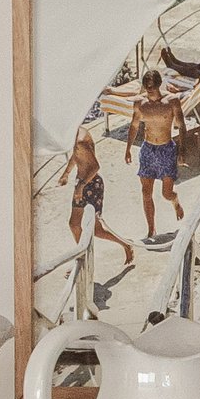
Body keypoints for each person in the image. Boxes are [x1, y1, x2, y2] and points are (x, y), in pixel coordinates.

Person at [62, 124, 136, 291]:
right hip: (81, 183)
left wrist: (81, 186)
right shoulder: (76, 135)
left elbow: (95, 167)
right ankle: (82, 259)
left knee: (96, 230)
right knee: (74, 225)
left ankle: (125, 245)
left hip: (90, 185)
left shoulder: (80, 140)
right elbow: (77, 157)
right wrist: (66, 173)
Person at [126, 67, 187, 241]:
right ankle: (151, 229)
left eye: (152, 86)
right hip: (148, 150)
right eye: (146, 86)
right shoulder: (140, 103)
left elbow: (181, 126)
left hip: (166, 149)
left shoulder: (172, 101)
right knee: (146, 193)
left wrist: (182, 151)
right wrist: (128, 148)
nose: (149, 90)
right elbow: (134, 126)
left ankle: (175, 202)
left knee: (166, 193)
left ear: (159, 85)